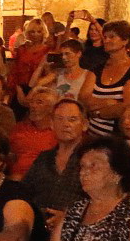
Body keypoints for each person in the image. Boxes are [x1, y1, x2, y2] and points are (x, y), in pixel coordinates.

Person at [21, 98, 89, 231]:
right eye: (60, 119)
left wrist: (69, 218)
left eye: (72, 119)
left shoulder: (93, 161)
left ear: (84, 124)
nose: (66, 124)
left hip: (76, 230)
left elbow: (104, 203)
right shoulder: (44, 158)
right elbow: (24, 191)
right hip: (36, 228)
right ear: (51, 123)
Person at [79, 20, 130, 138]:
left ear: (125, 41)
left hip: (118, 139)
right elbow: (83, 97)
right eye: (105, 37)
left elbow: (127, 109)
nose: (106, 40)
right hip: (93, 136)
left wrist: (97, 113)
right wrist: (108, 102)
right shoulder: (98, 68)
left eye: (112, 37)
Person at [8, 87, 60, 179]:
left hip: (44, 182)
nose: (33, 106)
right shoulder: (19, 128)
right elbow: (8, 156)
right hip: (15, 182)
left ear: (51, 108)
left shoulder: (58, 134)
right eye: (32, 102)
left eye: (39, 102)